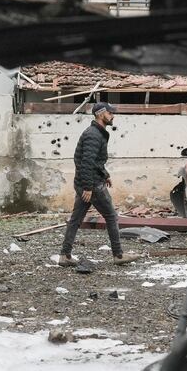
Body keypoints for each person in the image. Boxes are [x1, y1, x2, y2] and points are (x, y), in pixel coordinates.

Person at [59, 101, 133, 266]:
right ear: (101, 114)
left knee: (76, 219)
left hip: (87, 181)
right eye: (110, 113)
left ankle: (65, 256)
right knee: (111, 216)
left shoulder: (98, 133)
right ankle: (118, 255)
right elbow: (86, 163)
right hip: (92, 184)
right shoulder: (93, 135)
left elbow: (94, 161)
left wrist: (105, 174)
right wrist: (88, 187)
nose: (113, 116)